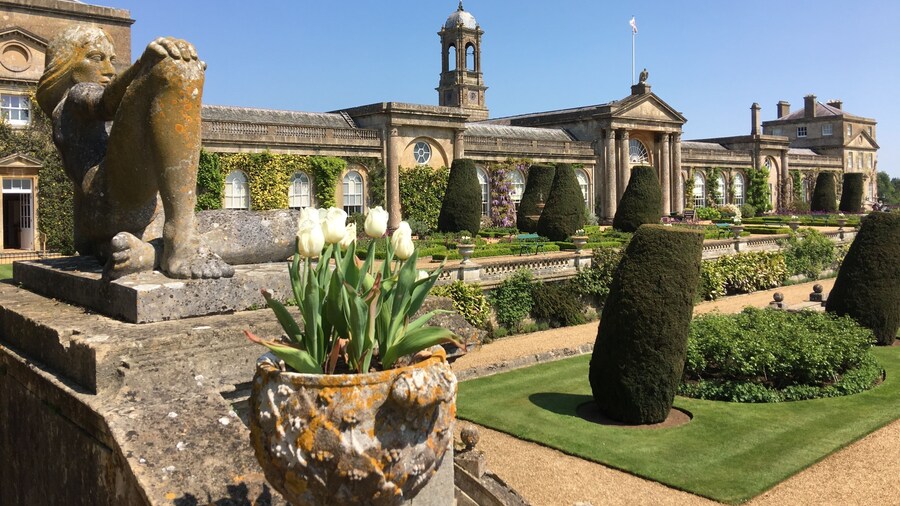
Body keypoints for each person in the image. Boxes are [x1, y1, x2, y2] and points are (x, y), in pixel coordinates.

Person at [37, 25, 233, 279]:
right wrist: (144, 66)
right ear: (68, 66)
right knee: (173, 69)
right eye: (96, 58)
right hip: (109, 197)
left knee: (278, 228)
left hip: (134, 214)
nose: (109, 69)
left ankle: (149, 253)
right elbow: (104, 103)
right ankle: (180, 239)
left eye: (112, 60)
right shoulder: (73, 98)